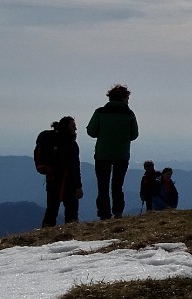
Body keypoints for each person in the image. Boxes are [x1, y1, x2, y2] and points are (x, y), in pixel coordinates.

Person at [86, 84, 139, 220]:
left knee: (102, 186)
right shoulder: (129, 114)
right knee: (117, 186)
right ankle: (118, 212)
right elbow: (134, 135)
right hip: (121, 155)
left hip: (102, 154)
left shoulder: (100, 112)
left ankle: (104, 213)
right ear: (123, 98)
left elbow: (91, 132)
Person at [39, 117, 83, 227]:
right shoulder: (71, 144)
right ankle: (70, 234)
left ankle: (46, 232)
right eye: (73, 126)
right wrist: (78, 186)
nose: (75, 128)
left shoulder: (53, 140)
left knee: (51, 210)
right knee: (71, 212)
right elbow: (75, 167)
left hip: (52, 180)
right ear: (66, 127)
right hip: (68, 182)